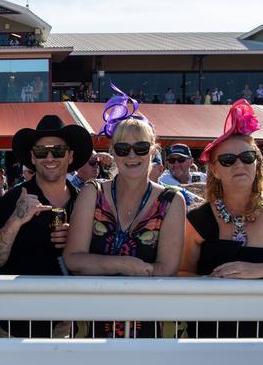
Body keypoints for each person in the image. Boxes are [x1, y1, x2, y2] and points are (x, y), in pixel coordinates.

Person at [63, 84, 186, 338]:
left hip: (149, 325)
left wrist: (99, 265)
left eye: (141, 148)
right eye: (123, 149)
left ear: (153, 151)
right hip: (93, 324)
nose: (132, 155)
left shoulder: (171, 200)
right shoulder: (92, 192)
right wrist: (125, 264)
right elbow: (73, 258)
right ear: (113, 154)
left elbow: (166, 268)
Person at [180, 99, 263, 338]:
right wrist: (212, 283)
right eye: (228, 160)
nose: (239, 164)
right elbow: (182, 272)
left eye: (247, 157)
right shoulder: (198, 219)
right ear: (214, 170)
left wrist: (256, 270)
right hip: (209, 338)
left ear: (257, 163)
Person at [0, 114, 93, 337]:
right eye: (42, 151)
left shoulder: (86, 202)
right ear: (33, 158)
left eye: (59, 150)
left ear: (70, 156)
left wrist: (77, 236)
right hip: (14, 326)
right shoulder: (13, 199)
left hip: (69, 325)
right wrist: (16, 220)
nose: (50, 157)